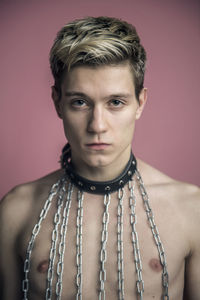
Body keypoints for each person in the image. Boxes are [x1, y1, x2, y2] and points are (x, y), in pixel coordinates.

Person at [0, 16, 199, 300]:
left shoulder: (191, 211)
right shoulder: (15, 211)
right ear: (58, 102)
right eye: (79, 102)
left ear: (140, 103)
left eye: (115, 102)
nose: (97, 125)